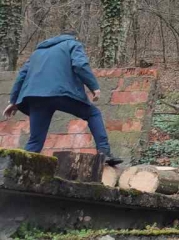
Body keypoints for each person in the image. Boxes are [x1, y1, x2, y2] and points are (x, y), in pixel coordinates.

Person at [2, 30, 122, 166]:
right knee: (93, 113)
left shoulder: (36, 53)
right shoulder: (72, 44)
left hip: (36, 97)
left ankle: (18, 169)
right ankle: (104, 152)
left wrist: (13, 101)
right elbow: (80, 65)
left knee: (35, 141)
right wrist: (94, 86)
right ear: (75, 37)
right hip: (61, 92)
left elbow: (21, 76)